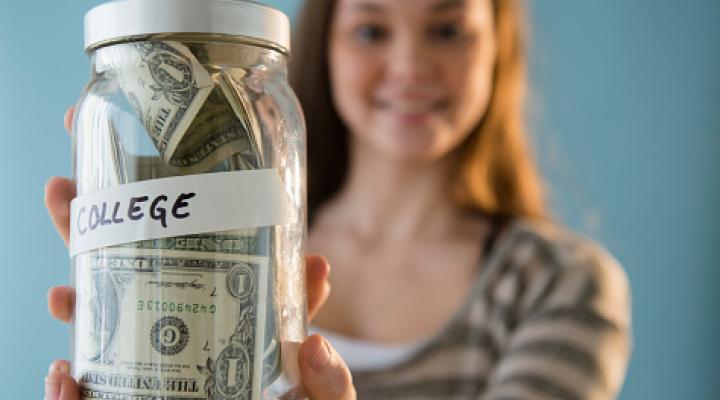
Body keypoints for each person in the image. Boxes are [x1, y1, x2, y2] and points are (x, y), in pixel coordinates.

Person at [44, 0, 631, 399]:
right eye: (372, 30)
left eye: (448, 29)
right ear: (326, 44)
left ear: (498, 48)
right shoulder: (245, 248)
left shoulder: (561, 282)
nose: (410, 67)